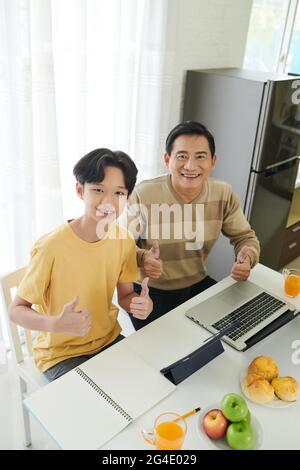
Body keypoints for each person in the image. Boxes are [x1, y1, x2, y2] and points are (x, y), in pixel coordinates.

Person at [9, 148, 153, 381]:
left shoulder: (124, 240)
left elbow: (125, 295)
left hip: (108, 340)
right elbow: (16, 311)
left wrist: (139, 304)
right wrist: (56, 323)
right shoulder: (50, 247)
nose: (108, 201)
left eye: (118, 193)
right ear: (80, 190)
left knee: (145, 385)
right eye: (97, 190)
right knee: (92, 411)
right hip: (61, 354)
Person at [126, 121, 260, 330]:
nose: (190, 166)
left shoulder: (223, 193)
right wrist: (142, 257)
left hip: (197, 283)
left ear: (213, 161)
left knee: (237, 330)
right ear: (167, 159)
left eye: (200, 156)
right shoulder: (144, 194)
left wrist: (247, 257)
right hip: (151, 290)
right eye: (182, 156)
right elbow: (121, 246)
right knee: (166, 353)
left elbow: (245, 238)